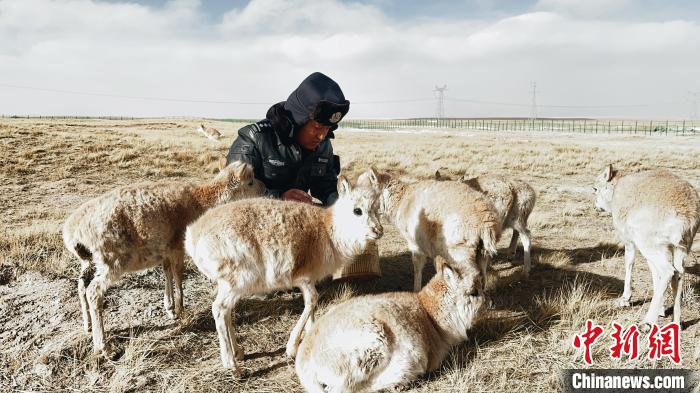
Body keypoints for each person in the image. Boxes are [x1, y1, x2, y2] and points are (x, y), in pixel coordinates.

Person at [226, 72, 380, 279]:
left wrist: (350, 211)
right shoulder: (254, 139)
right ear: (299, 119)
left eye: (328, 128)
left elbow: (326, 187)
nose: (322, 135)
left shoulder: (322, 145)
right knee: (261, 286)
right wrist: (279, 198)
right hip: (255, 234)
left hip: (293, 230)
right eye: (317, 127)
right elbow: (231, 196)